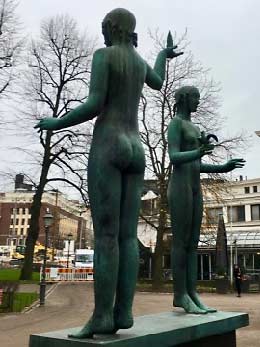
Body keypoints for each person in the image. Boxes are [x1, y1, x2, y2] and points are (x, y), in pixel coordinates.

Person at [35, 8, 182, 338]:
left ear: (112, 28)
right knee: (128, 236)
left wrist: (57, 123)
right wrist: (163, 54)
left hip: (109, 144)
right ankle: (123, 311)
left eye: (104, 27)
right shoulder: (139, 62)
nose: (102, 32)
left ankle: (102, 317)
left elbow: (95, 103)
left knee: (105, 236)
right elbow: (158, 82)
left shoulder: (105, 56)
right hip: (136, 147)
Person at [167, 86, 245, 314]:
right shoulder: (176, 124)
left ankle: (192, 293)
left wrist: (223, 167)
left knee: (192, 244)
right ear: (183, 99)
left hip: (194, 187)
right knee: (180, 244)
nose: (198, 102)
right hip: (180, 187)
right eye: (195, 98)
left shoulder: (194, 126)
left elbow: (197, 165)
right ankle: (179, 295)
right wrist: (199, 152)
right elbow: (174, 157)